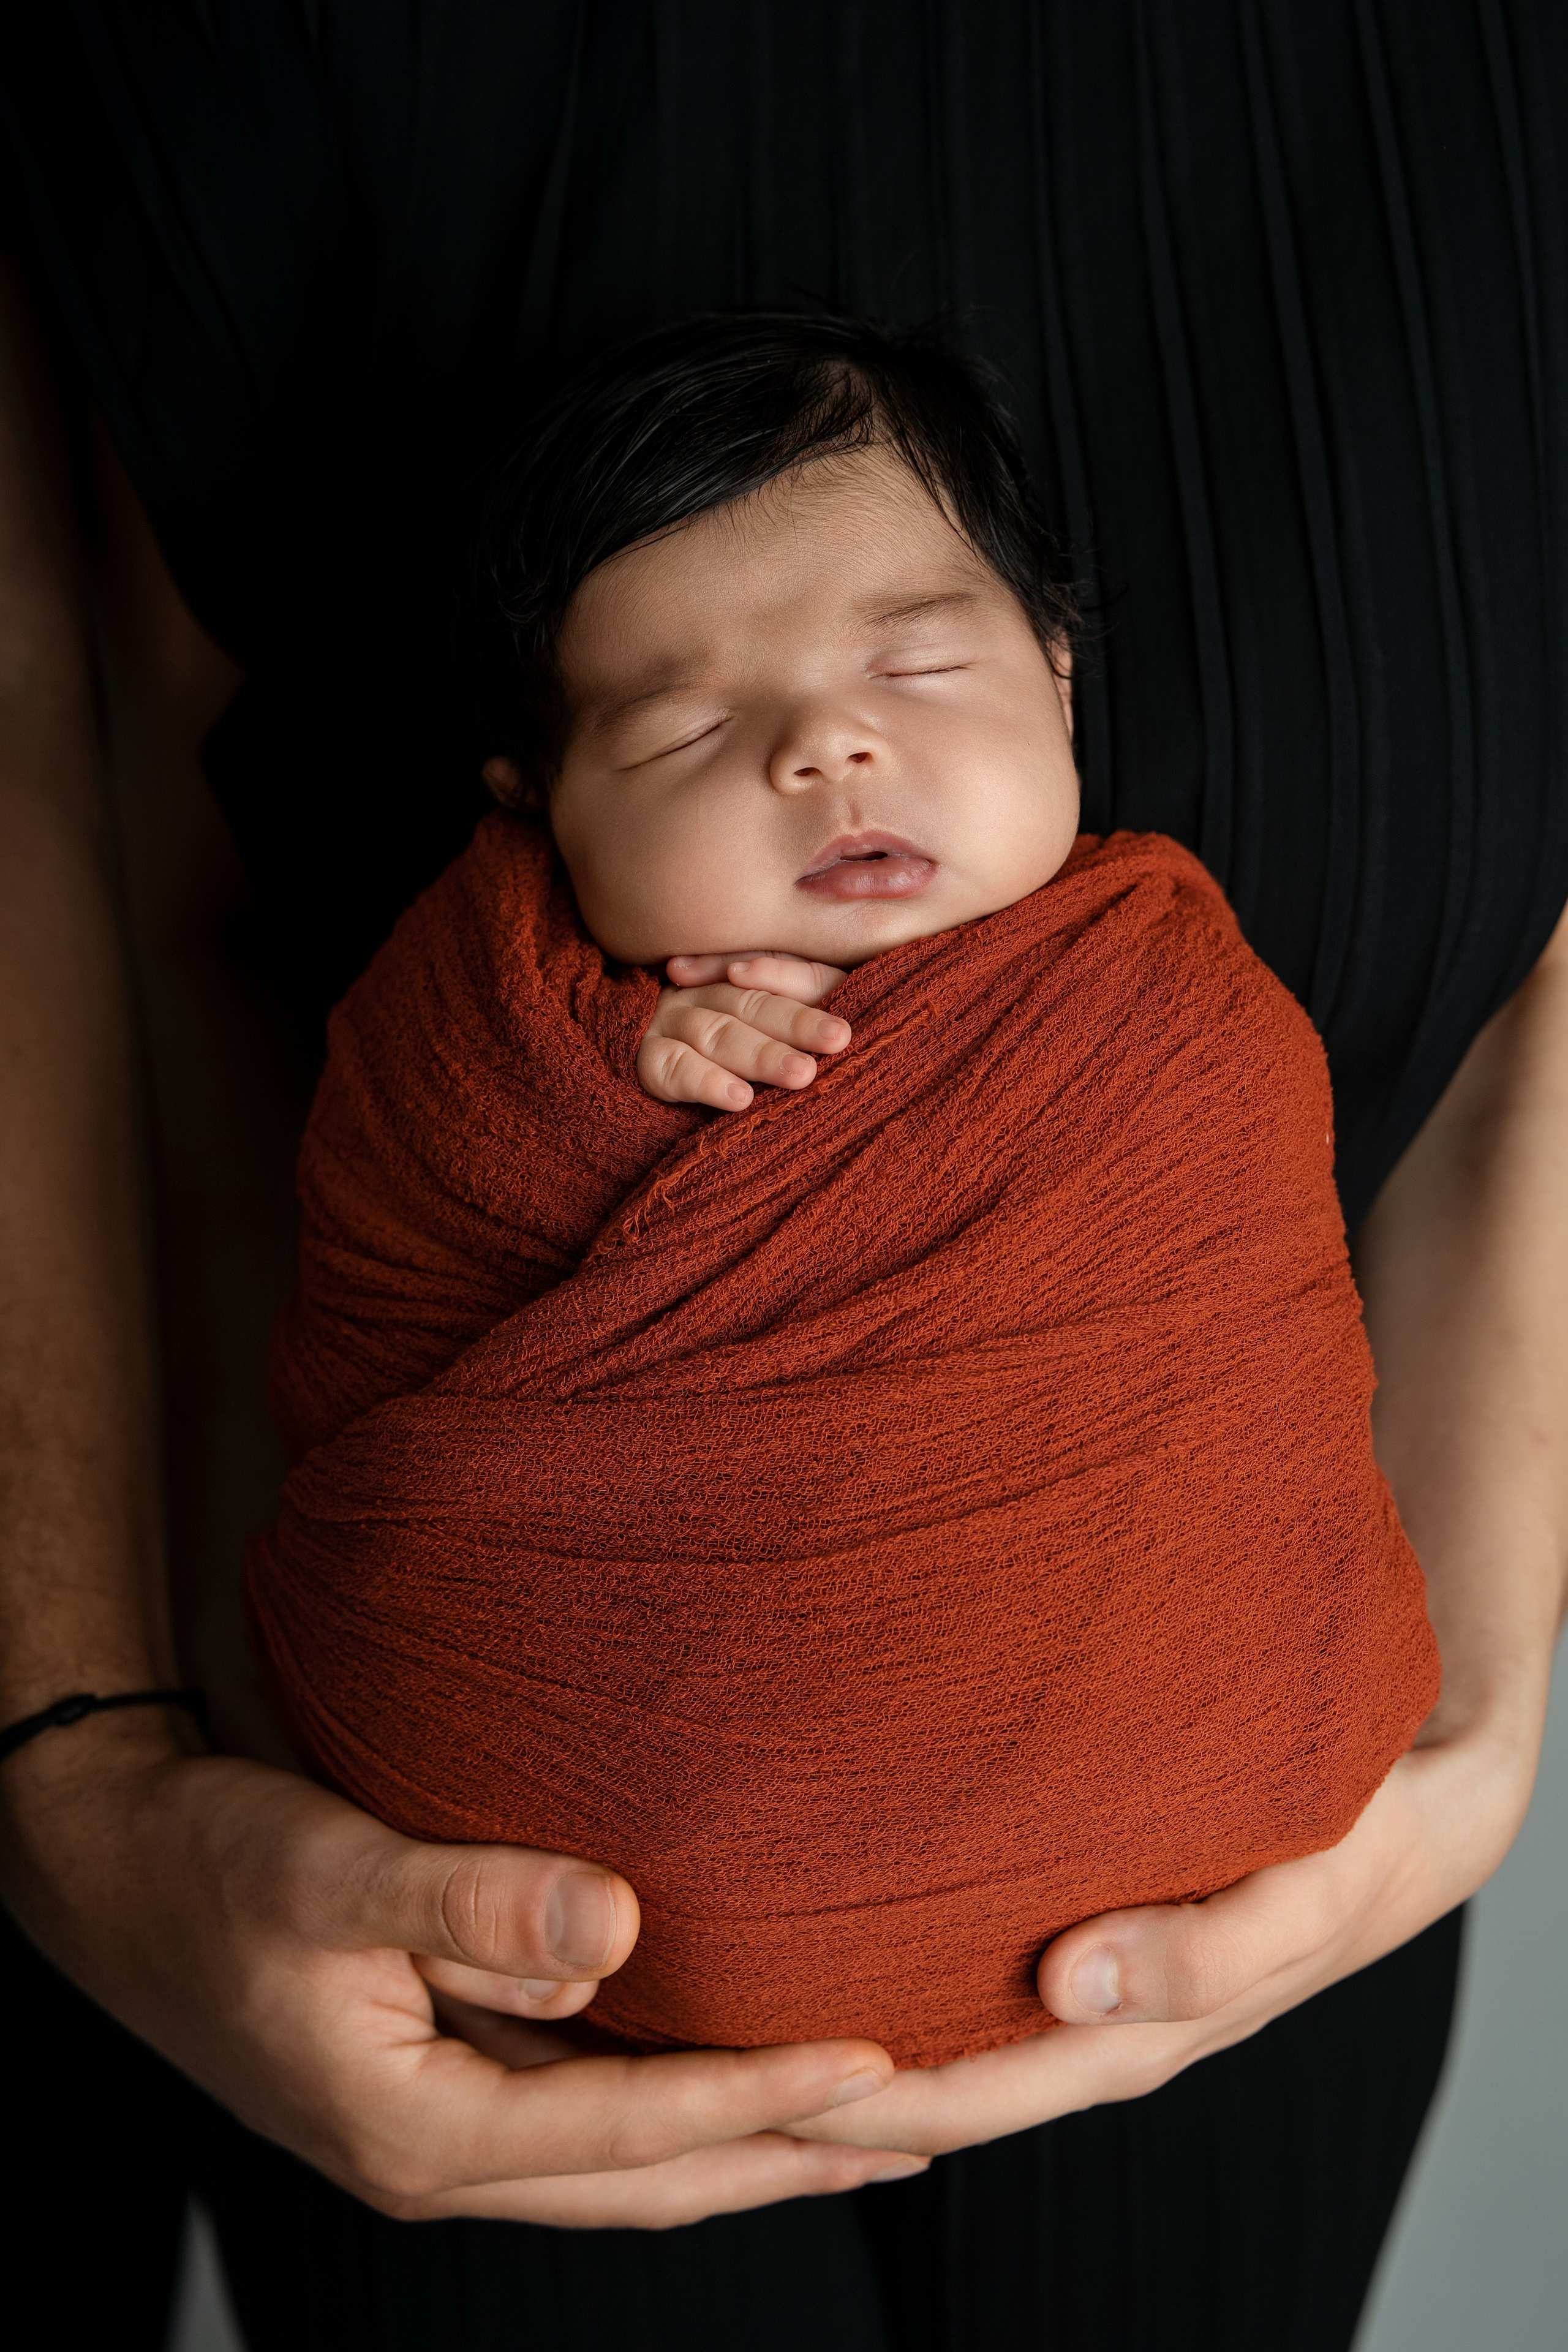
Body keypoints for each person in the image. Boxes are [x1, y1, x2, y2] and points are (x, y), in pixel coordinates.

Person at [0, 7, 1563, 2348]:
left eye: (916, 660)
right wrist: (89, 1736)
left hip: (1237, 1833)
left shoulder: (1156, 969)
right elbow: (100, 794)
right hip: (467, 1901)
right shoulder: (514, 987)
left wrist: (1484, 1701)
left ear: (1054, 660)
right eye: (686, 729)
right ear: (530, 800)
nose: (828, 739)